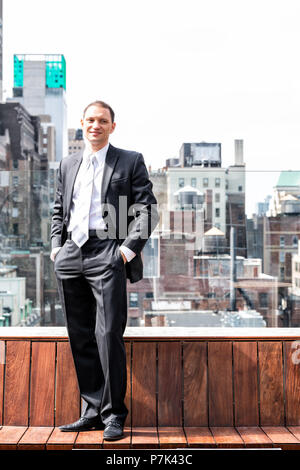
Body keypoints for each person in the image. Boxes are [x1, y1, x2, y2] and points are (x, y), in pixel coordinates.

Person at [50, 100, 159, 440]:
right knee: (80, 335)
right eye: (91, 120)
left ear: (113, 126)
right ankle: (92, 411)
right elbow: (58, 208)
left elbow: (148, 211)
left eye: (103, 121)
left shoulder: (129, 160)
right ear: (82, 124)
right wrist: (56, 248)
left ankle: (114, 415)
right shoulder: (68, 163)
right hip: (71, 254)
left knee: (108, 333)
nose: (95, 125)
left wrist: (125, 251)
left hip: (108, 251)